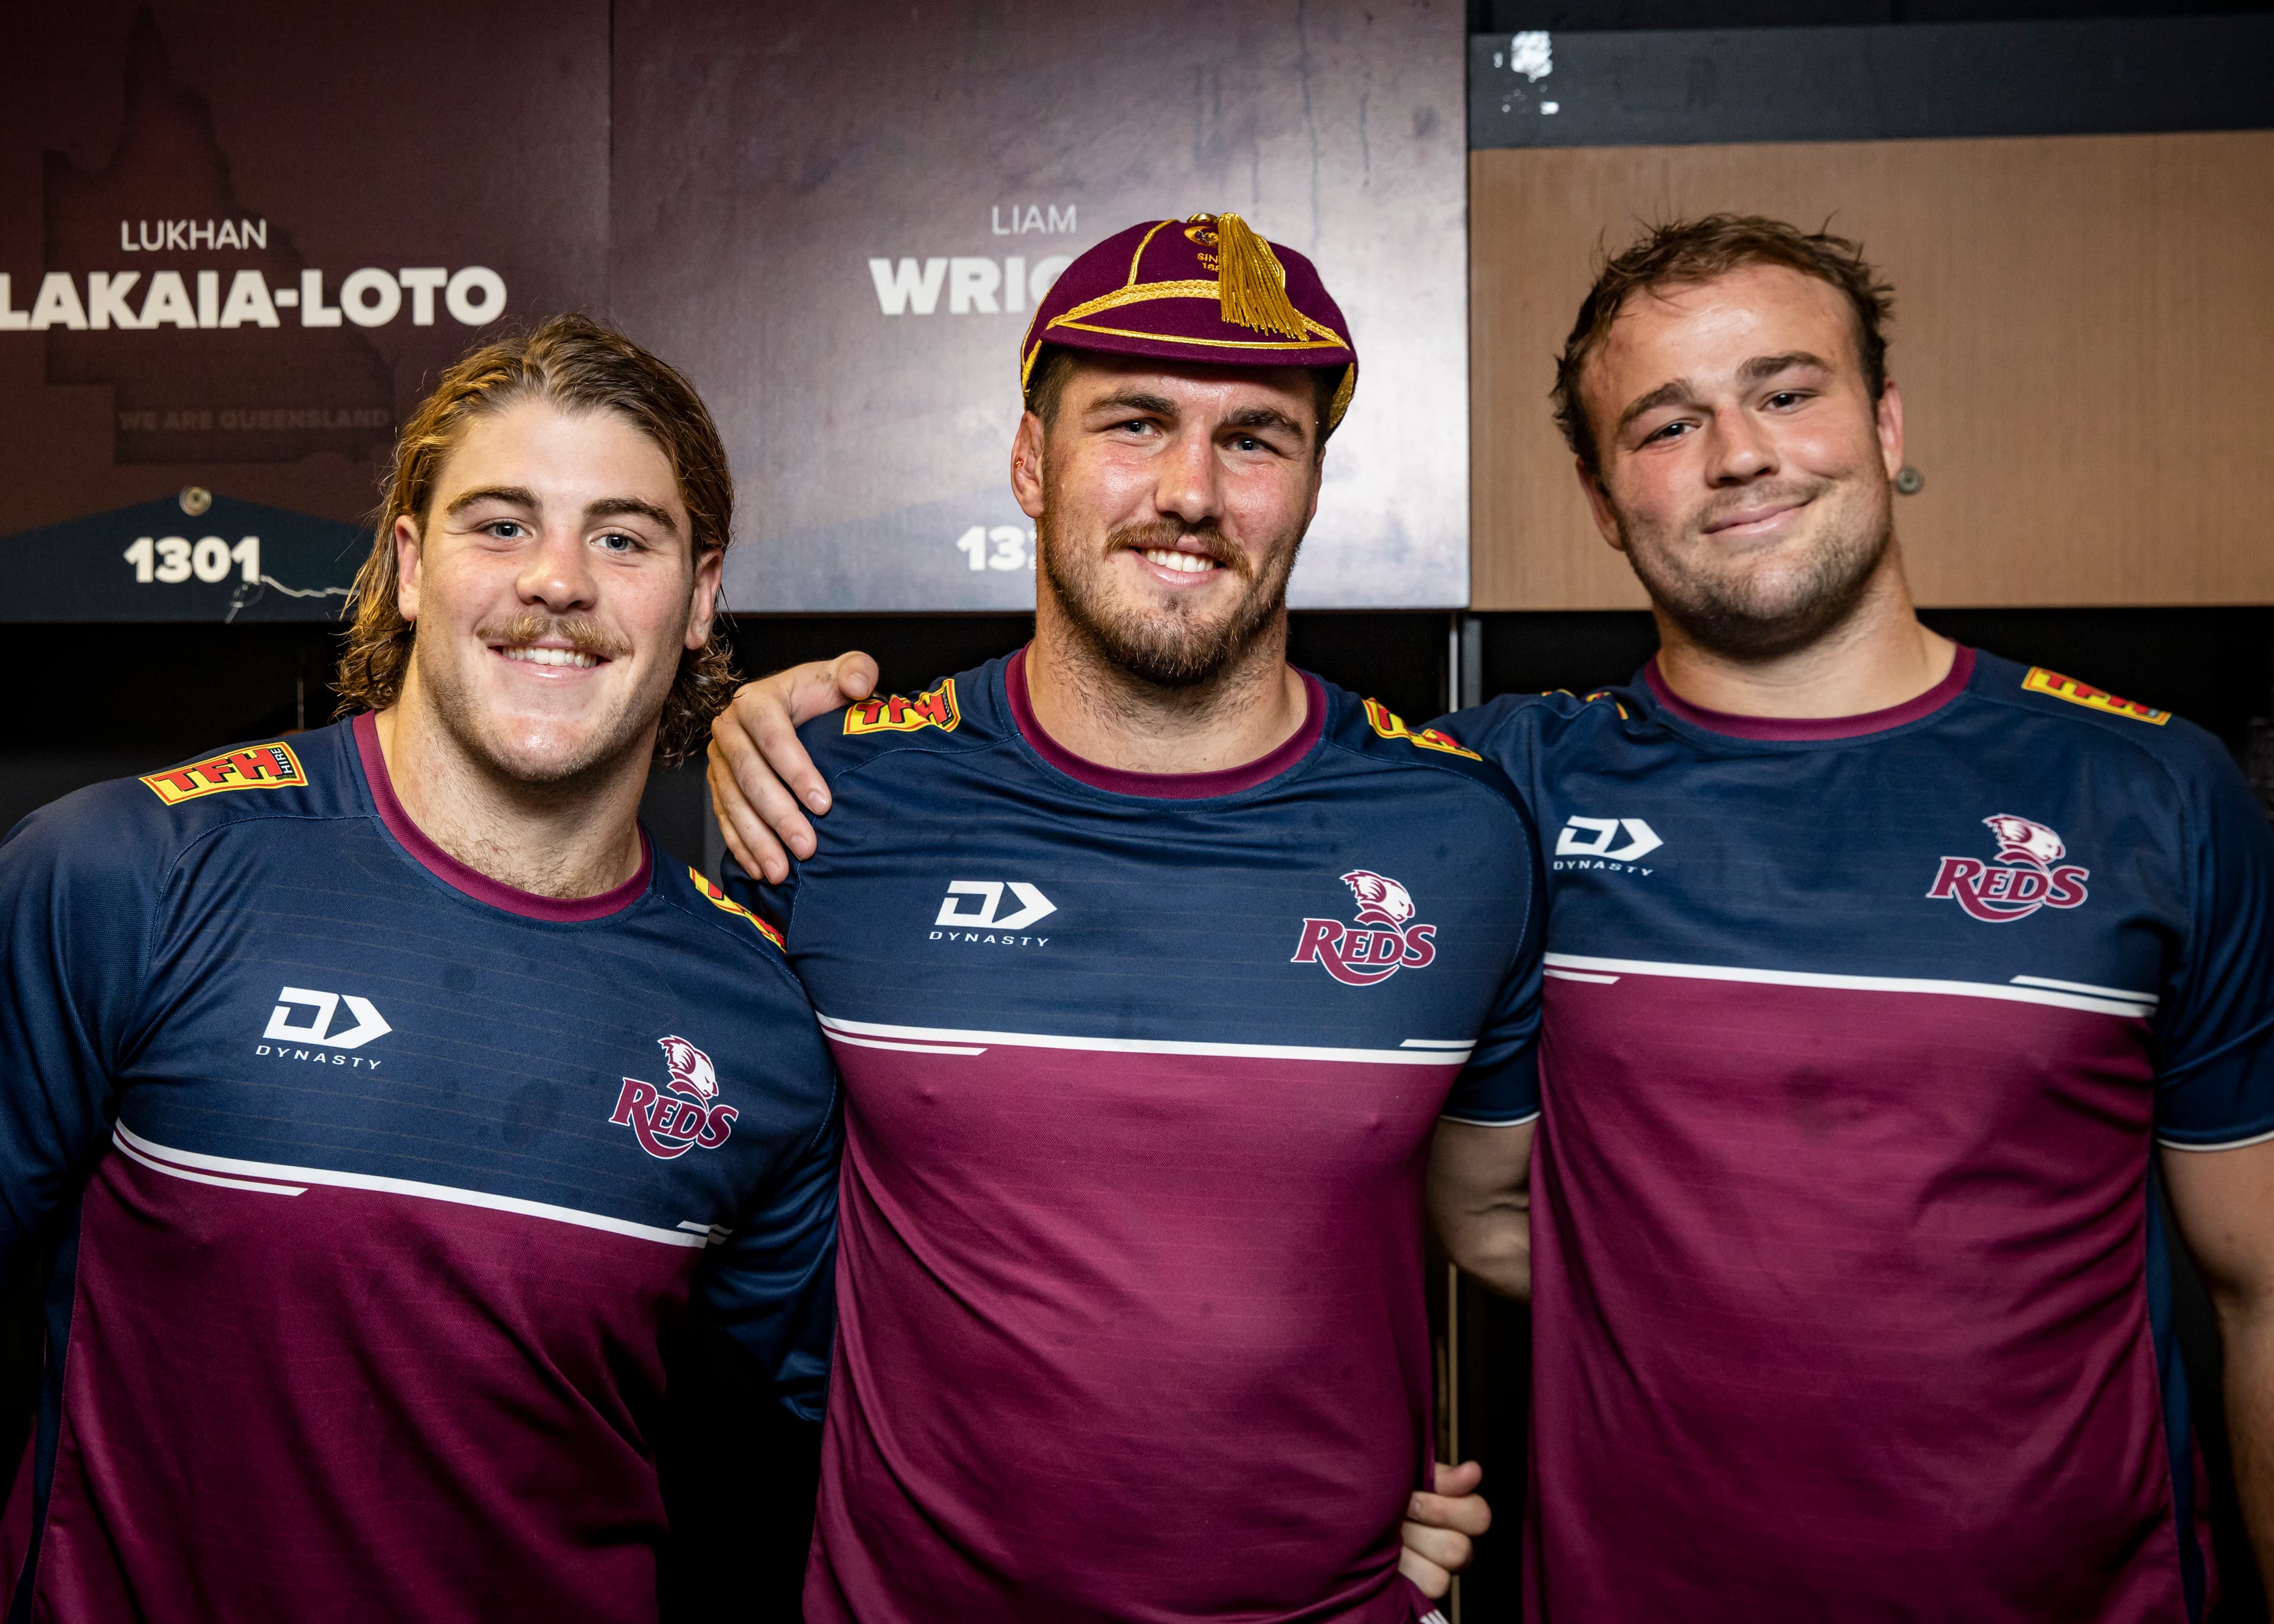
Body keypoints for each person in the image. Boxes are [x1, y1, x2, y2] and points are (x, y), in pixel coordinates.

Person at [710, 215, 2274, 1623]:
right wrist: (741, 717)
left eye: (1788, 393)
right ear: (1600, 496)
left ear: (1884, 424)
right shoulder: (1489, 796)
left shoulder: (2148, 790)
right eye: (1669, 423)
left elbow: (2256, 1290)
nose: (1738, 456)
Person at [711, 212, 1537, 1623]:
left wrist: (1446, 1491)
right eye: (1135, 423)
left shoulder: (1455, 834)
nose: (1191, 490)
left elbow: (1508, 1227)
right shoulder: (824, 796)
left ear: (1316, 482)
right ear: (1032, 463)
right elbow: (699, 1227)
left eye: (1256, 439)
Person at [0, 314, 841, 1620]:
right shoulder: (128, 875)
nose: (558, 580)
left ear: (702, 597)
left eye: (622, 537)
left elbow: (899, 1424)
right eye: (500, 524)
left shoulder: (763, 1016)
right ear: (407, 564)